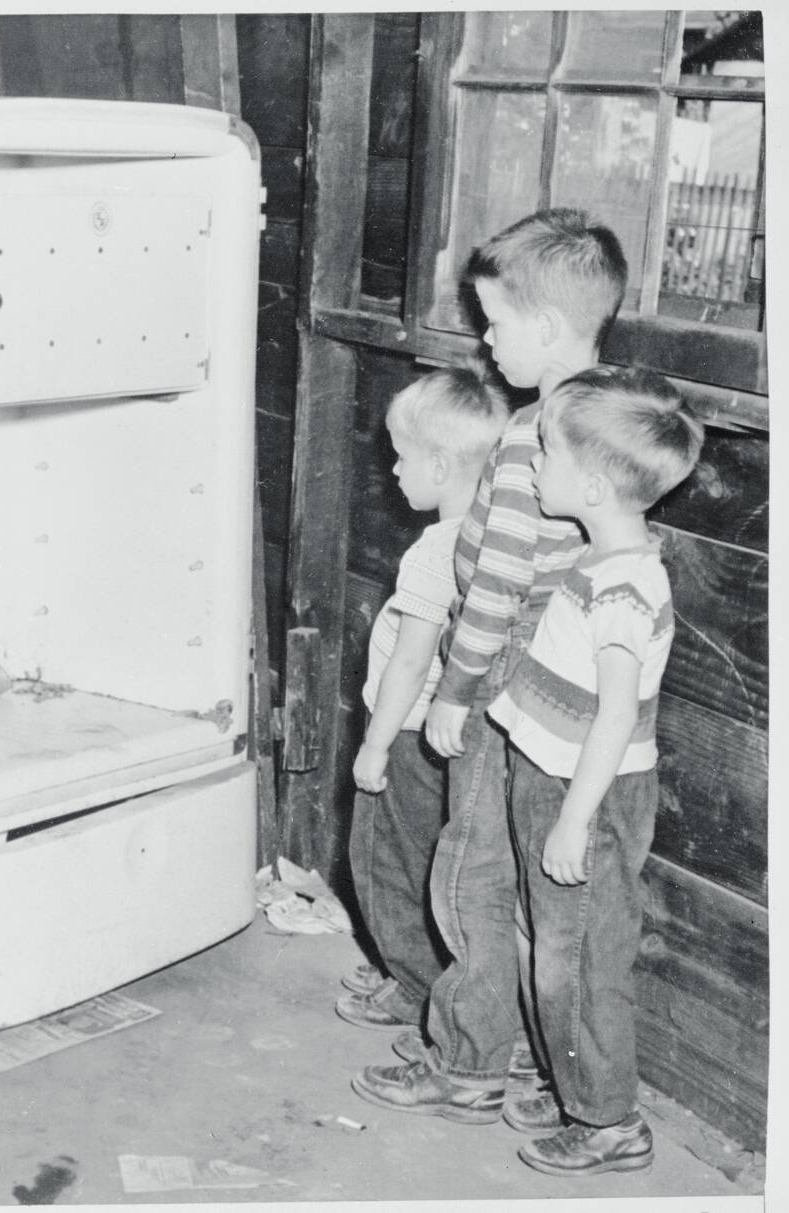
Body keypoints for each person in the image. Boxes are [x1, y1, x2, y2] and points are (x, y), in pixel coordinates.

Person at [351, 208, 628, 1124]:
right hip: (570, 678)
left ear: (545, 329)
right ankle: (516, 1056)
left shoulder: (527, 441)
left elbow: (497, 585)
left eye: (494, 322)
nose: (483, 338)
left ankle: (469, 1060)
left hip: (501, 672)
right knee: (517, 881)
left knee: (468, 871)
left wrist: (457, 693)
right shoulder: (602, 420)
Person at [492, 366, 702, 1174]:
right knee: (551, 939)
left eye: (544, 452)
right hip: (552, 773)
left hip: (586, 790)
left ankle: (609, 1118)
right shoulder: (599, 555)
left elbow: (615, 715)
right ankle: (571, 1077)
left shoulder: (623, 586)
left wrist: (574, 819)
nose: (535, 466)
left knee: (577, 954)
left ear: (590, 483)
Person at [338, 367, 508, 1035]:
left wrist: (374, 746)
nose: (393, 471)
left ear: (439, 464)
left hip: (406, 734)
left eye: (401, 457)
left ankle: (410, 984)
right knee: (435, 862)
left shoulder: (434, 553)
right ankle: (423, 971)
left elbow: (410, 661)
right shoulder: (491, 539)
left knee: (384, 860)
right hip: (455, 737)